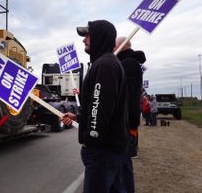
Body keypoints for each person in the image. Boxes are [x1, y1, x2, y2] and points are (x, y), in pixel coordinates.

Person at [62, 20, 128, 193]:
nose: (84, 40)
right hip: (108, 148)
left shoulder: (105, 65)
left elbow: (100, 108)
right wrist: (79, 118)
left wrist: (91, 138)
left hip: (101, 150)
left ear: (100, 37)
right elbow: (99, 105)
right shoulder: (106, 63)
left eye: (87, 36)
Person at [114, 37, 146, 193]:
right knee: (121, 167)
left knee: (122, 168)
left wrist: (132, 126)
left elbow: (130, 98)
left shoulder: (128, 64)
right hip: (126, 124)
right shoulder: (126, 63)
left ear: (120, 46)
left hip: (125, 126)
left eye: (113, 46)